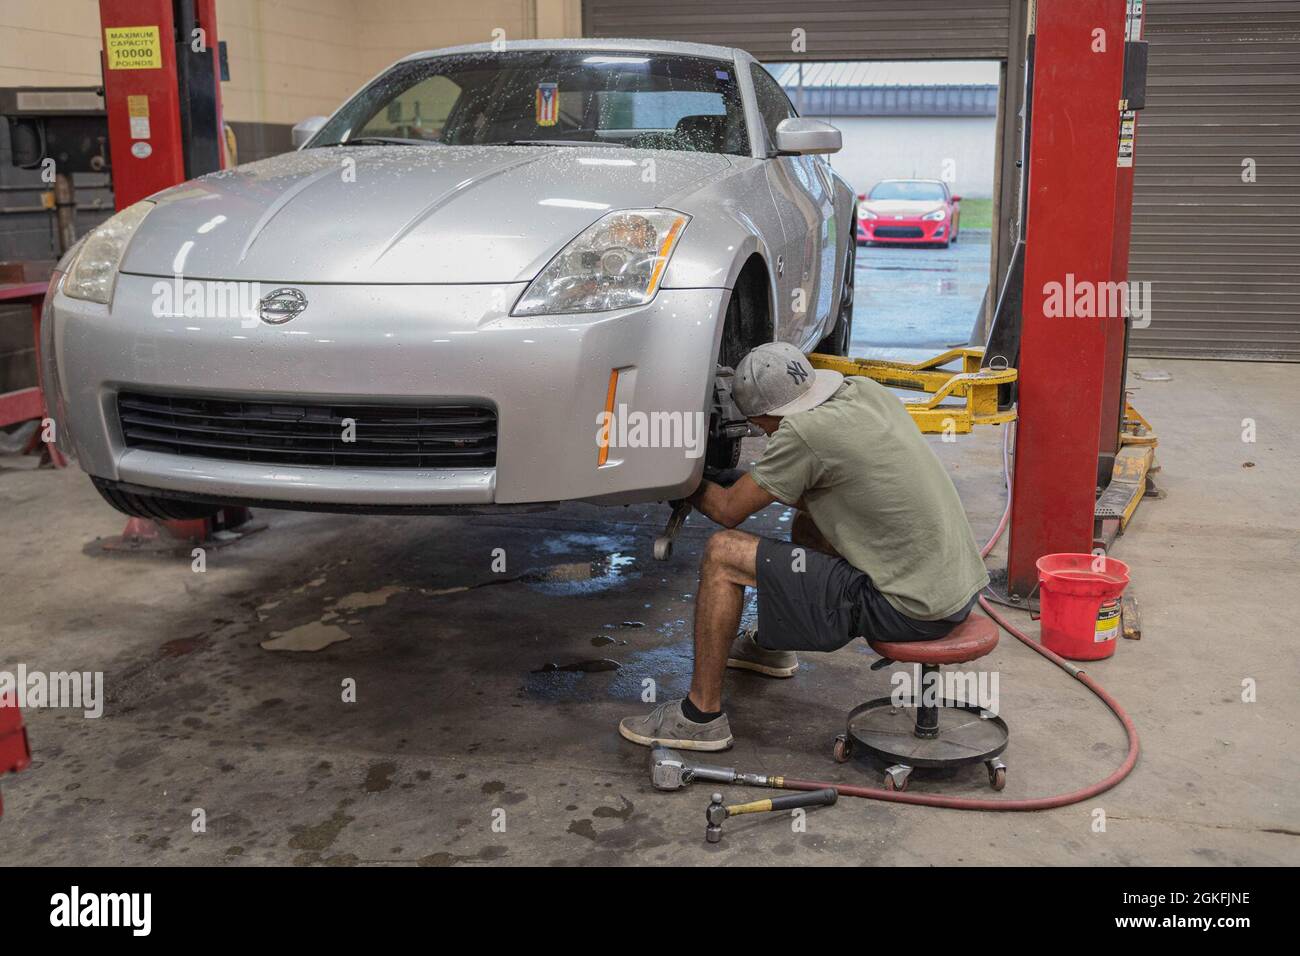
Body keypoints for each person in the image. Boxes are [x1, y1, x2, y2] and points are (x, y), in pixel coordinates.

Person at [618, 342, 990, 750]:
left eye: (761, 426)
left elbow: (728, 512)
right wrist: (735, 475)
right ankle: (771, 648)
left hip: (908, 610)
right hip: (954, 589)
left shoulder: (802, 433)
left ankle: (700, 716)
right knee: (809, 525)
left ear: (765, 415)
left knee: (723, 554)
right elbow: (814, 487)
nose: (763, 433)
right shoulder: (864, 393)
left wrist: (683, 481)